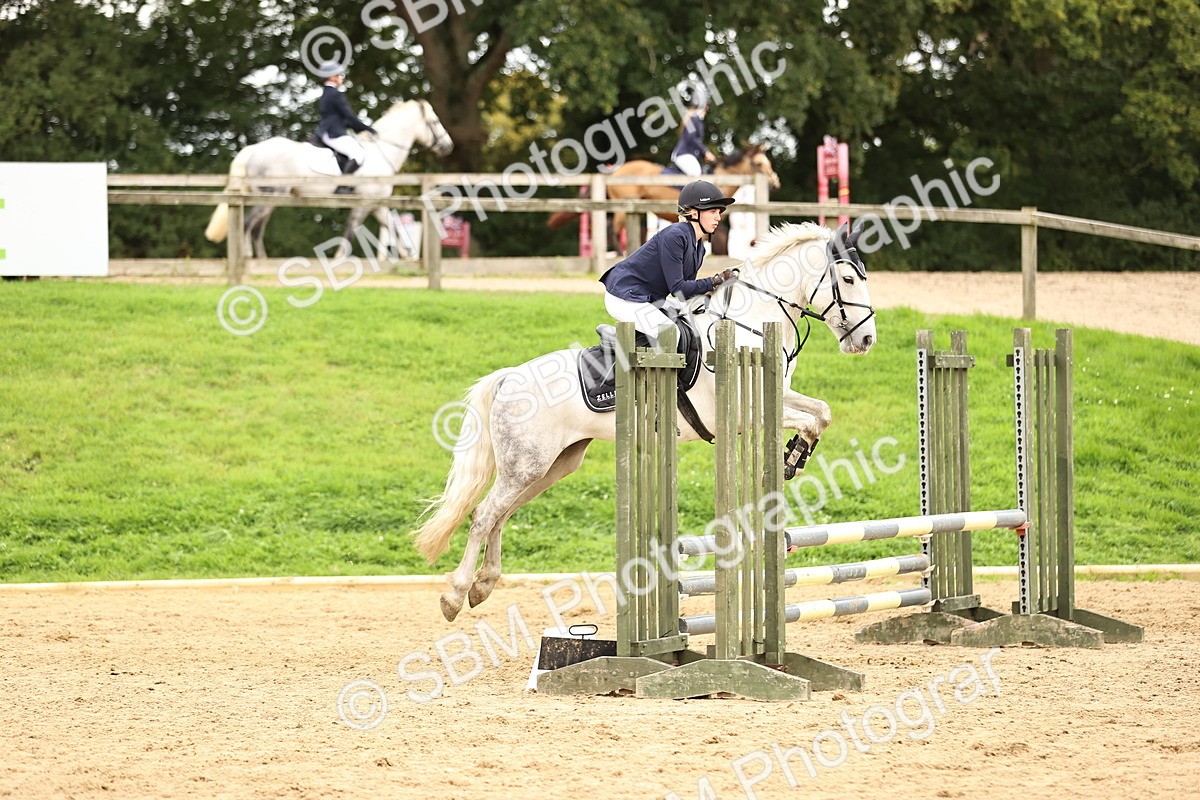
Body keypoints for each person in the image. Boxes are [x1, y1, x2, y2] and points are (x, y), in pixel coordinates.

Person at [600, 180, 736, 340]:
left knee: (693, 316)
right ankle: (614, 342)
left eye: (719, 212)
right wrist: (713, 281)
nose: (718, 217)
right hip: (625, 296)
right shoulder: (676, 235)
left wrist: (712, 295)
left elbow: (684, 296)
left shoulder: (699, 247)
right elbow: (678, 288)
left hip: (649, 298)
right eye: (713, 211)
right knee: (671, 334)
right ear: (694, 213)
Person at [316, 61, 376, 177]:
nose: (341, 78)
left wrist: (357, 127)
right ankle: (343, 185)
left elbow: (344, 119)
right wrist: (368, 129)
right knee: (358, 153)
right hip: (333, 133)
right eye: (339, 75)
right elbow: (350, 117)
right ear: (332, 77)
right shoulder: (335, 94)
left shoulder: (326, 93)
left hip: (329, 131)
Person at [670, 89, 716, 177]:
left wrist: (703, 154)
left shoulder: (697, 120)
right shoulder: (694, 119)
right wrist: (705, 152)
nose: (707, 109)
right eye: (706, 106)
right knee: (696, 174)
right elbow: (691, 138)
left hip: (689, 155)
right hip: (684, 154)